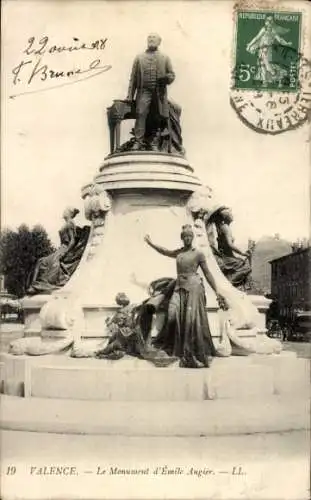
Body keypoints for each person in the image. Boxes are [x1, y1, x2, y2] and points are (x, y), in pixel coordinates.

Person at [144, 224, 226, 368]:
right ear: (182, 238)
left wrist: (217, 291)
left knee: (190, 320)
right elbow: (165, 252)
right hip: (179, 286)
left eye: (189, 236)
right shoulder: (180, 253)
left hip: (194, 288)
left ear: (192, 238)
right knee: (171, 314)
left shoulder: (198, 253)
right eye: (185, 237)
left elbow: (207, 273)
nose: (187, 239)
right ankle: (176, 347)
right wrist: (151, 244)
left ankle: (190, 351)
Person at [126, 33, 175, 150]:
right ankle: (138, 141)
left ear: (159, 42)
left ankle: (154, 142)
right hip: (144, 91)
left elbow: (172, 74)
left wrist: (167, 78)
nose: (151, 40)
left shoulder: (165, 58)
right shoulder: (139, 58)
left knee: (157, 116)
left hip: (159, 92)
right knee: (141, 113)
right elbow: (133, 78)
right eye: (149, 38)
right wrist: (129, 95)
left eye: (154, 38)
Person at [27, 207, 90, 295]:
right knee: (40, 261)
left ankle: (37, 286)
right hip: (61, 248)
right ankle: (34, 285)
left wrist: (64, 253)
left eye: (65, 211)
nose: (63, 212)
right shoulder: (66, 224)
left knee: (46, 263)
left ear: (69, 213)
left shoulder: (70, 223)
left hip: (64, 249)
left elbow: (72, 241)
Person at [206, 207, 251, 289]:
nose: (232, 215)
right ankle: (229, 284)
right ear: (226, 217)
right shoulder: (226, 228)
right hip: (227, 257)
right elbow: (230, 244)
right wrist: (242, 253)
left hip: (225, 255)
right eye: (231, 213)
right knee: (247, 267)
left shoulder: (221, 227)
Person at [246, 15, 292, 86]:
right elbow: (257, 38)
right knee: (262, 66)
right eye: (268, 20)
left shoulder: (273, 31)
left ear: (273, 22)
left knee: (268, 67)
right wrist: (249, 45)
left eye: (271, 21)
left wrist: (287, 43)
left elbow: (279, 40)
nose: (269, 22)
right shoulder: (264, 29)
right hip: (261, 50)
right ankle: (265, 82)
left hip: (267, 50)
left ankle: (279, 77)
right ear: (265, 22)